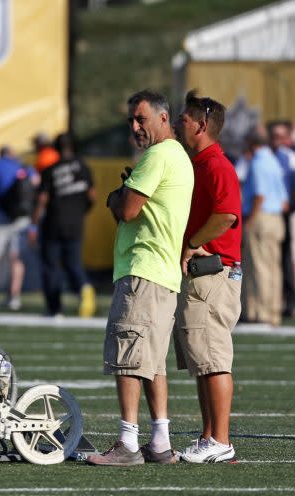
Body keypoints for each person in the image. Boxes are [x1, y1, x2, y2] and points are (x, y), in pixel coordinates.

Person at [86, 90, 193, 466]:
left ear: (164, 118)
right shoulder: (178, 155)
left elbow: (127, 210)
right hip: (161, 273)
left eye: (141, 119)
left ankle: (128, 443)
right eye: (132, 120)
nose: (135, 127)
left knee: (129, 358)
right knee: (152, 362)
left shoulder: (158, 155)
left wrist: (117, 194)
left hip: (143, 269)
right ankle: (160, 441)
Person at [172, 91, 241, 463]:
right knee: (202, 360)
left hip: (215, 274)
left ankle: (222, 440)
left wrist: (193, 243)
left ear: (201, 124)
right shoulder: (199, 163)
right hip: (203, 277)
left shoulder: (216, 165)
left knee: (214, 359)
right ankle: (209, 436)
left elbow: (227, 215)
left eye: (185, 117)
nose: (180, 121)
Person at [28, 132, 96, 318]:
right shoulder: (83, 167)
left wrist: (33, 226)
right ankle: (85, 287)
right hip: (76, 223)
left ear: (56, 149)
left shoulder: (50, 170)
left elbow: (42, 199)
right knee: (73, 264)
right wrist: (80, 211)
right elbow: (92, 196)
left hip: (54, 223)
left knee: (51, 266)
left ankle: (54, 308)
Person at [240, 128, 289, 325]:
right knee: (273, 267)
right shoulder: (274, 162)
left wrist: (250, 221)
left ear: (252, 142)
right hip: (276, 217)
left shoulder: (258, 162)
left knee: (259, 266)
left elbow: (260, 195)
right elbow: (284, 201)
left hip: (260, 217)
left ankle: (260, 312)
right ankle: (273, 311)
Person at [0, 145, 36, 310]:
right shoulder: (24, 166)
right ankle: (14, 297)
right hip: (22, 219)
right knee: (17, 259)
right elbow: (35, 184)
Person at [268, 121, 295, 317]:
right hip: (278, 213)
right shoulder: (273, 156)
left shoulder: (288, 157)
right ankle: (284, 301)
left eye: (281, 137)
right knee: (280, 260)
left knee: (289, 259)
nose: (277, 141)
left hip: (289, 212)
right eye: (274, 137)